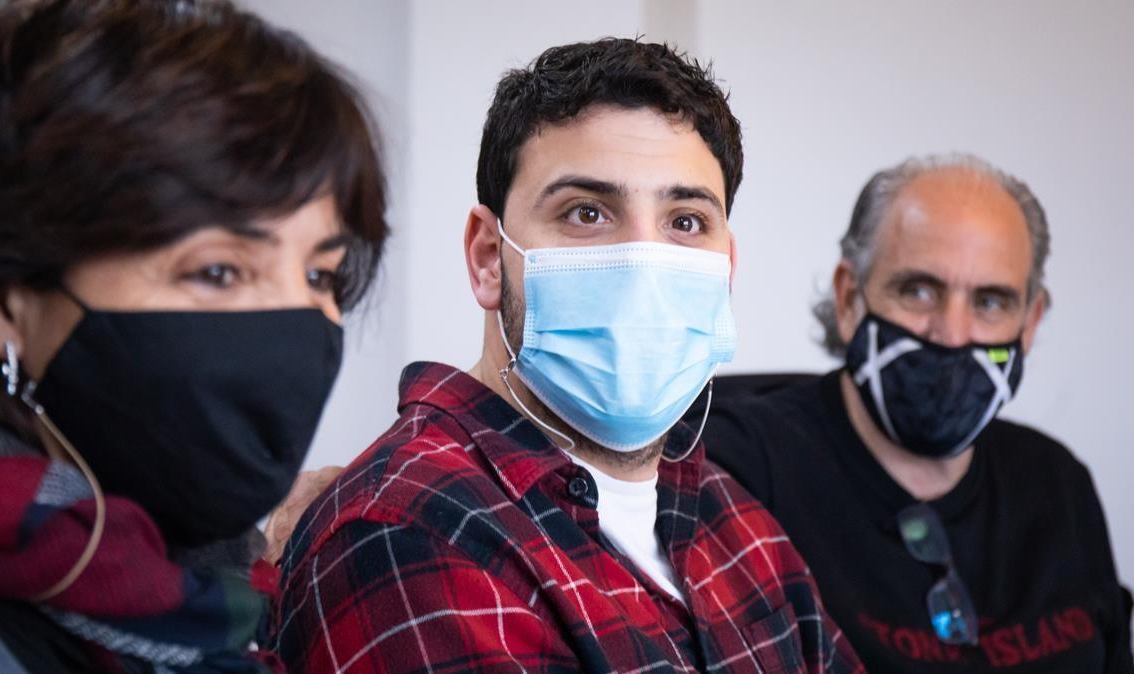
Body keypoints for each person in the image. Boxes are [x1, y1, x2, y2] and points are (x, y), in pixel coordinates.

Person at [270, 38, 863, 673]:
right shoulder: (406, 528)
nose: (642, 265)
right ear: (487, 257)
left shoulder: (734, 521)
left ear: (727, 267)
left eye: (685, 221)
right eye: (587, 212)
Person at [0, 1, 388, 671]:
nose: (294, 321)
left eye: (320, 274)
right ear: (6, 306)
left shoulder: (219, 594)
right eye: (218, 271)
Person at [694, 154, 1134, 672]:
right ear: (849, 298)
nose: (952, 334)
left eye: (991, 302)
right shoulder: (735, 471)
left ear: (1031, 321)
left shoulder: (1056, 484)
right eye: (919, 291)